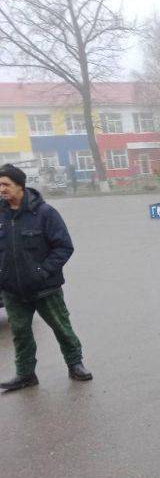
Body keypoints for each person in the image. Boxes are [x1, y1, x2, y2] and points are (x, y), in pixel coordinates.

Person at [0, 164, 92, 392]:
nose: (1, 189)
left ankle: (75, 364)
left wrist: (42, 272)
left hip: (44, 288)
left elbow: (63, 247)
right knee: (20, 334)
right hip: (12, 290)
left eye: (6, 184)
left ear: (20, 186)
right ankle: (25, 374)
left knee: (61, 327)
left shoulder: (44, 213)